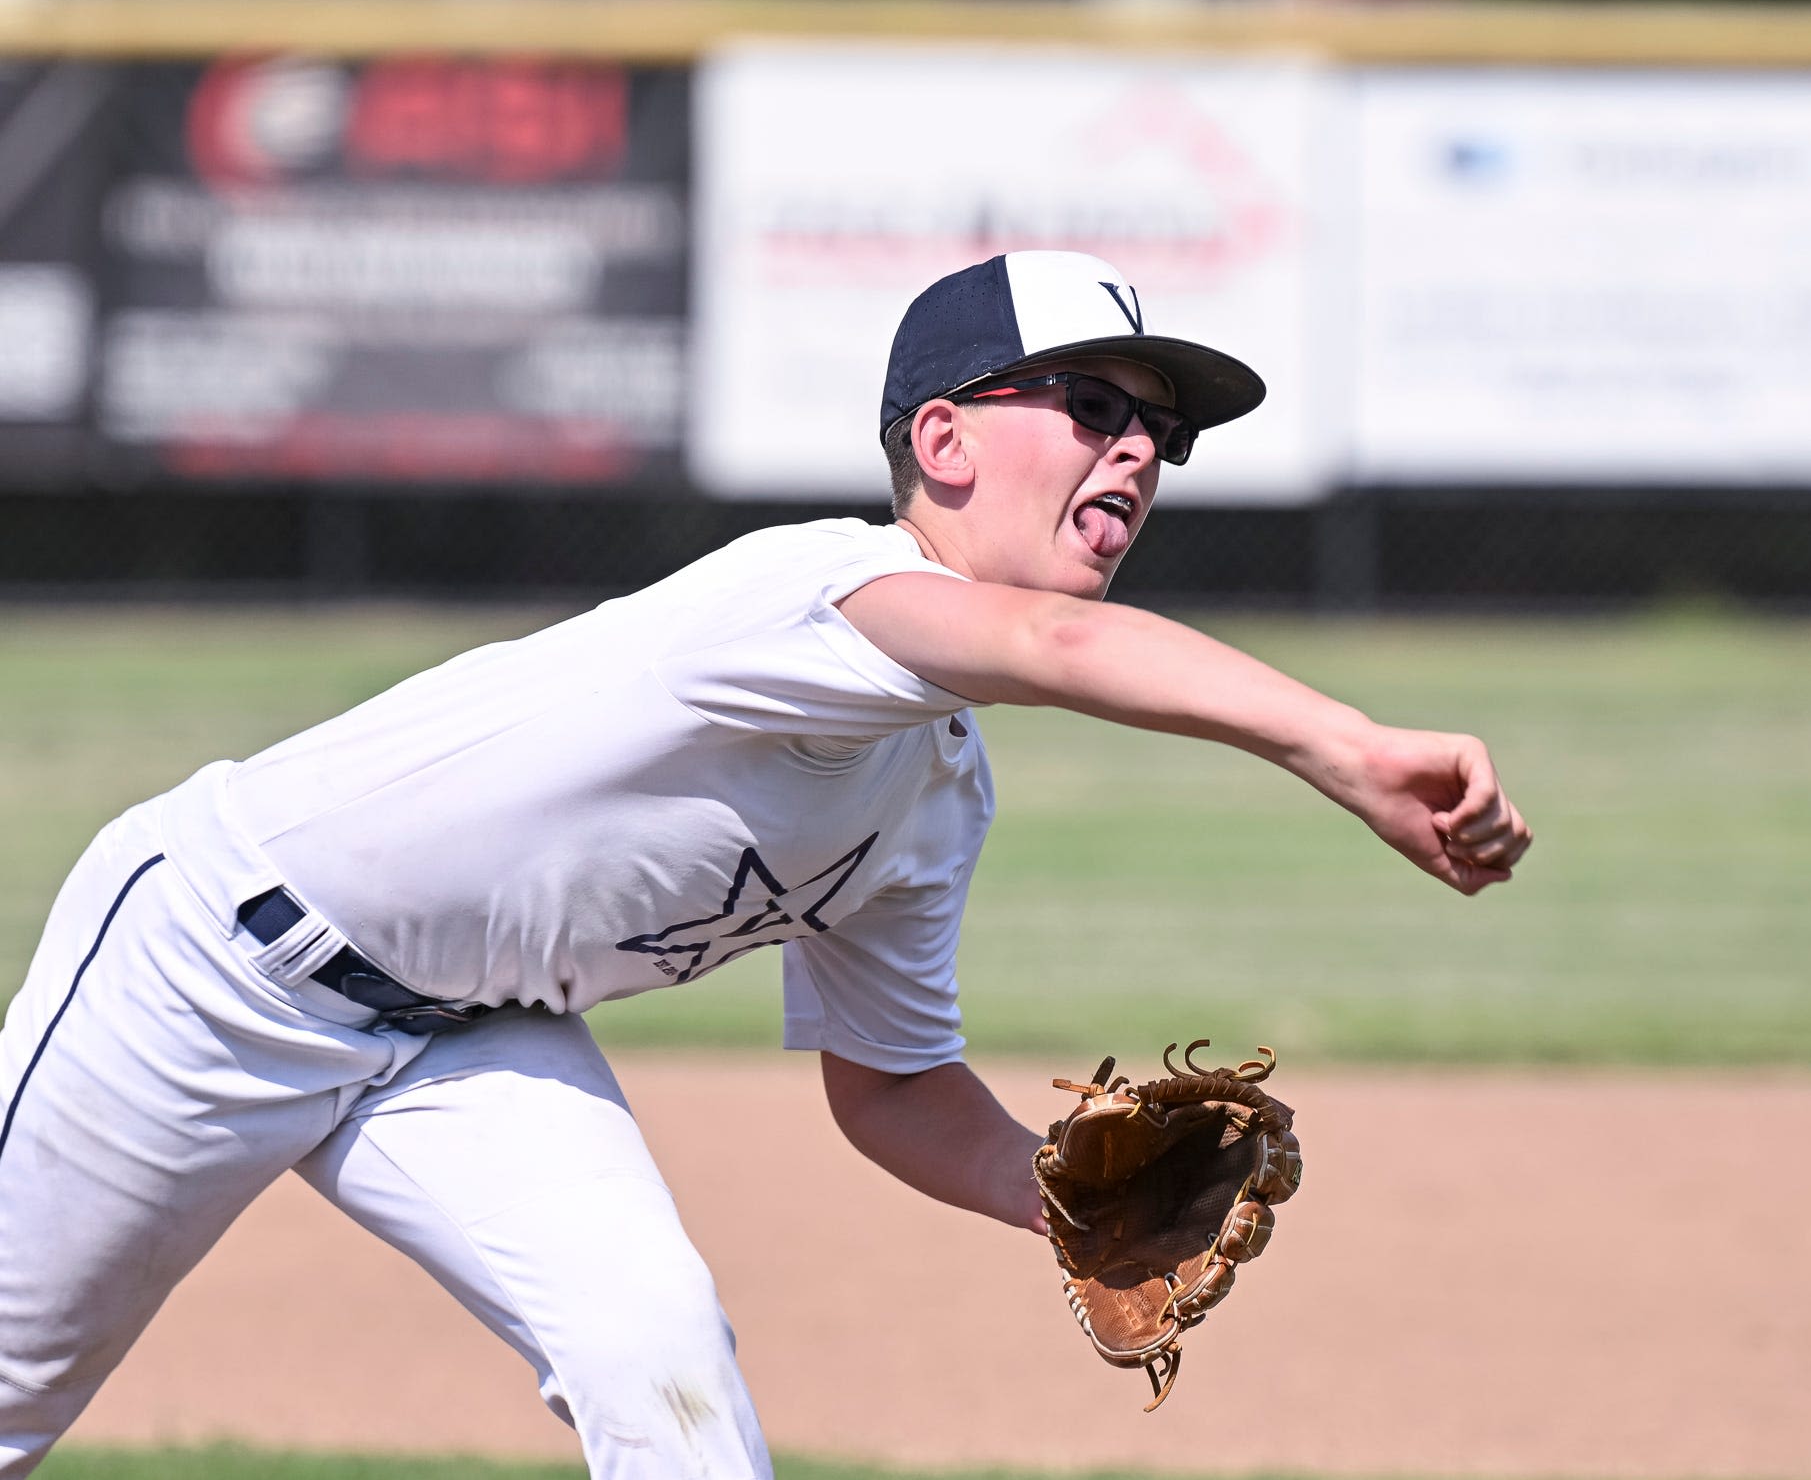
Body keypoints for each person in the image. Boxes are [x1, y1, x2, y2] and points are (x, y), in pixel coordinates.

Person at [0, 250, 1532, 1478]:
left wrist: (1053, 1192)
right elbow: (1055, 644)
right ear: (942, 439)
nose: (1139, 446)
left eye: (1163, 432)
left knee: (661, 1364)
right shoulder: (809, 593)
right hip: (215, 958)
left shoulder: (935, 792)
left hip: (469, 1036)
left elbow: (888, 1083)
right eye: (1091, 403)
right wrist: (1336, 745)